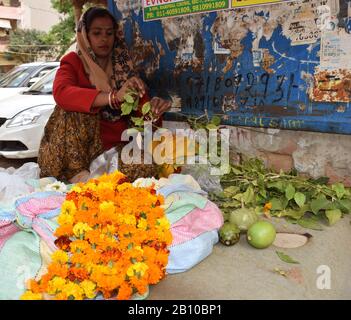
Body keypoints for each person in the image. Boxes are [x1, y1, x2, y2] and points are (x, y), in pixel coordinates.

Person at [38, 7, 171, 183]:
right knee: (71, 108)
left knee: (146, 166)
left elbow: (144, 122)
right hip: (74, 154)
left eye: (109, 33)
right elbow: (61, 93)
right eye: (97, 33)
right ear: (85, 36)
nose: (104, 39)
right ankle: (76, 174)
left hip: (113, 148)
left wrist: (153, 110)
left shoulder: (124, 67)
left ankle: (102, 178)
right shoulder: (73, 62)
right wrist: (112, 97)